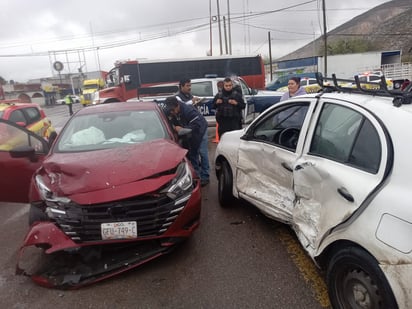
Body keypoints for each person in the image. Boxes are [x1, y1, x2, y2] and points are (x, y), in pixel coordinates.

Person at [164, 96, 210, 187]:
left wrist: (182, 129)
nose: (172, 112)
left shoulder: (188, 111)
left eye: (173, 110)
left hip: (200, 130)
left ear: (177, 106)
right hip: (189, 132)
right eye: (170, 111)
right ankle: (196, 175)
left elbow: (196, 126)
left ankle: (205, 176)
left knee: (202, 152)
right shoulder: (170, 110)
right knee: (193, 153)